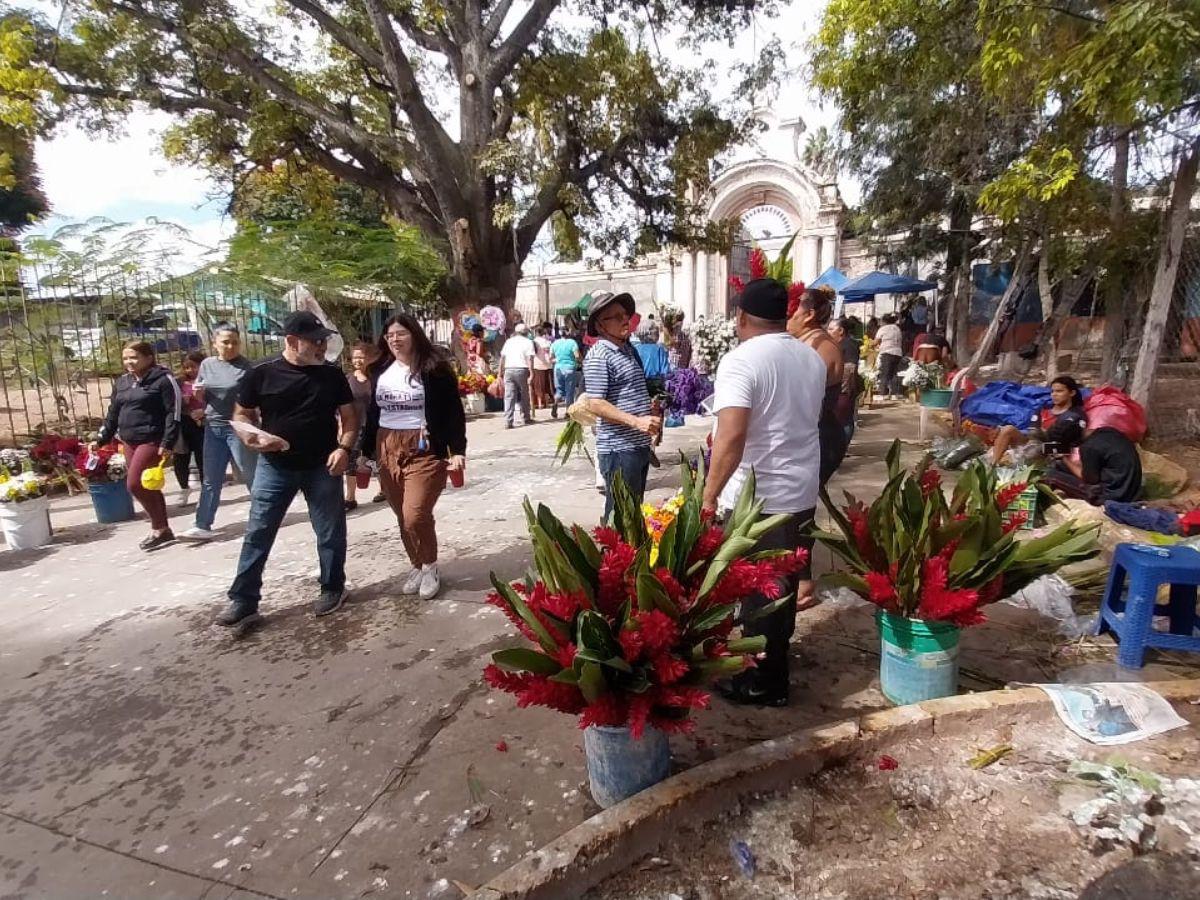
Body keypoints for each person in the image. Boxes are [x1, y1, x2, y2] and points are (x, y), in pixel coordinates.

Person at [702, 279, 825, 707]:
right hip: (801, 489)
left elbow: (732, 438)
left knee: (757, 590)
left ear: (740, 317)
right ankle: (773, 668)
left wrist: (709, 494)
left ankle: (762, 681)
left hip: (759, 495)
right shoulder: (811, 357)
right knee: (782, 586)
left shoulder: (741, 360)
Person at [217, 311, 358, 626]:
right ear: (292, 341)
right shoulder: (261, 373)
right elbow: (242, 414)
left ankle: (333, 588)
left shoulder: (332, 375)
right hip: (275, 466)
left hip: (322, 464)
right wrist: (252, 437)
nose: (322, 346)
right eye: (315, 341)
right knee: (258, 530)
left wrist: (344, 448)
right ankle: (243, 599)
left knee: (330, 531)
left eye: (324, 340)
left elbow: (350, 418)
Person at [361, 314, 467, 601]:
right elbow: (373, 413)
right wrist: (364, 452)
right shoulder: (380, 369)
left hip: (424, 446)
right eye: (390, 335)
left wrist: (457, 451)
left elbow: (453, 413)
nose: (394, 340)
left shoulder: (435, 369)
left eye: (401, 334)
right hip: (387, 444)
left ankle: (430, 565)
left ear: (414, 335)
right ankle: (417, 565)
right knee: (400, 513)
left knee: (415, 514)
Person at [93, 341, 182, 550]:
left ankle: (159, 528)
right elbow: (113, 413)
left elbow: (174, 412)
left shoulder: (163, 380)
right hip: (129, 440)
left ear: (149, 358)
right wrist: (101, 438)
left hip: (152, 440)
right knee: (147, 485)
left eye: (134, 357)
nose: (129, 362)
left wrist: (168, 441)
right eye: (126, 358)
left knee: (134, 484)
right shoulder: (122, 382)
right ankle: (163, 530)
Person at [581, 291, 662, 519]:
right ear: (600, 325)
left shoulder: (628, 350)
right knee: (619, 517)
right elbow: (595, 403)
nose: (624, 319)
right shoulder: (599, 355)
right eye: (615, 317)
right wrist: (636, 421)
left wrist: (650, 409)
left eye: (624, 314)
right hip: (618, 449)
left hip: (637, 446)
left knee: (633, 513)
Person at [180, 324, 259, 542]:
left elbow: (254, 399)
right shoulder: (207, 364)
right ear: (215, 343)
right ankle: (202, 524)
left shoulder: (247, 367)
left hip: (239, 427)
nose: (230, 346)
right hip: (213, 426)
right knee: (211, 478)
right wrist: (200, 395)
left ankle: (264, 514)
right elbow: (205, 395)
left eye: (234, 341)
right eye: (225, 341)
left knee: (250, 474)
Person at [789, 288, 846, 486]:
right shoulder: (806, 342)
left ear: (809, 315)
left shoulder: (820, 347)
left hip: (819, 437)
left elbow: (803, 395)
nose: (787, 316)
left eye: (791, 310)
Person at [987, 375, 1087, 465]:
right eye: (1052, 391)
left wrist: (1043, 440)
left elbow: (1074, 442)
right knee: (1008, 429)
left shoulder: (1075, 415)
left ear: (1072, 393)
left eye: (1059, 391)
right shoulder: (1044, 410)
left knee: (1035, 450)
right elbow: (1032, 432)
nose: (1054, 394)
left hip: (1051, 451)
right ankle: (993, 465)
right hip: (1032, 443)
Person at [1046, 426, 1142, 504]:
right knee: (1060, 465)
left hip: (1113, 496)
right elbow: (1097, 463)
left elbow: (1090, 480)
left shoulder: (1089, 447)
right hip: (1130, 489)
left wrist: (1064, 458)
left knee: (1050, 474)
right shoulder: (1107, 431)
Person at [343, 341, 378, 511]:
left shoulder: (375, 379)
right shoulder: (347, 379)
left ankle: (384, 489)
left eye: (361, 357)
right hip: (354, 426)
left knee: (377, 458)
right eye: (355, 357)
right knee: (351, 461)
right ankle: (350, 497)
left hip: (374, 425)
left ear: (369, 358)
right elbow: (340, 407)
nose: (357, 360)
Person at [174, 350, 206, 507]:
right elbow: (170, 404)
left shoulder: (208, 380)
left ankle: (206, 491)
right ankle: (184, 489)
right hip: (184, 423)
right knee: (181, 458)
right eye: (187, 367)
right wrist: (183, 403)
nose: (190, 371)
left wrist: (204, 410)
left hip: (203, 423)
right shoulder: (178, 383)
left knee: (203, 458)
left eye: (194, 367)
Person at [828, 316, 862, 444]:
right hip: (840, 388)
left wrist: (843, 390)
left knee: (844, 420)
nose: (828, 331)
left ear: (841, 331)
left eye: (831, 329)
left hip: (844, 389)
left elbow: (849, 369)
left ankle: (842, 446)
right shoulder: (838, 345)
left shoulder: (848, 345)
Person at [499, 322, 535, 428]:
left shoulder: (509, 342)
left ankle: (508, 421)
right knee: (524, 394)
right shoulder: (528, 342)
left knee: (509, 396)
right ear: (526, 333)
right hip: (521, 369)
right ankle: (526, 417)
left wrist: (500, 372)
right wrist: (532, 373)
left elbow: (502, 358)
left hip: (508, 369)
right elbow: (530, 359)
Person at [633, 322, 671, 397]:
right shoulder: (659, 349)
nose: (658, 334)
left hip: (638, 387)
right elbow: (665, 372)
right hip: (655, 387)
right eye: (656, 332)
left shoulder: (635, 349)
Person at [551, 327, 583, 408]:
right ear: (568, 332)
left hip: (558, 369)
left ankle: (555, 405)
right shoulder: (572, 342)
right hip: (570, 368)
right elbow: (577, 356)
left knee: (559, 391)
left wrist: (558, 360)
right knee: (569, 391)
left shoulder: (555, 343)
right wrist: (581, 362)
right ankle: (568, 412)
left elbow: (550, 358)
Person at [875, 313, 904, 399]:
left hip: (887, 352)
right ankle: (895, 393)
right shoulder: (897, 328)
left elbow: (876, 341)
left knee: (885, 373)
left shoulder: (883, 329)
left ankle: (882, 394)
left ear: (884, 321)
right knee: (894, 373)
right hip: (898, 352)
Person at [531, 323, 556, 417]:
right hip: (548, 365)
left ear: (536, 332)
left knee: (538, 385)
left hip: (538, 365)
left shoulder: (534, 342)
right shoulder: (548, 342)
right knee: (549, 385)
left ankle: (540, 403)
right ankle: (550, 402)